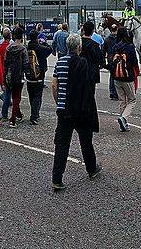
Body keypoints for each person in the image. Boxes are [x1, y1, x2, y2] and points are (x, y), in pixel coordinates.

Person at [51, 33, 101, 192]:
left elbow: (54, 85)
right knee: (86, 140)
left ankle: (57, 179)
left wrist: (59, 102)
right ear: (79, 47)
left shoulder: (59, 63)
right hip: (80, 109)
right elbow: (88, 87)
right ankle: (92, 169)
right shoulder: (83, 63)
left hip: (64, 109)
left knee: (62, 144)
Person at [109, 27, 138, 131]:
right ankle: (124, 118)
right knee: (132, 99)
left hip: (116, 77)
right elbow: (134, 62)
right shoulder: (130, 47)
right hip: (127, 76)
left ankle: (124, 124)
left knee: (122, 101)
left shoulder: (115, 46)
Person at [24, 28, 51, 124]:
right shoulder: (40, 48)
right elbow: (50, 50)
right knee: (37, 96)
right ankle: (34, 115)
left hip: (29, 76)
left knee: (31, 95)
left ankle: (34, 112)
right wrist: (44, 42)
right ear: (37, 38)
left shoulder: (26, 48)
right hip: (39, 75)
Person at [3, 31, 28, 128]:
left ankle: (18, 114)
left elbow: (5, 62)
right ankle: (13, 119)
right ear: (21, 37)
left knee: (11, 95)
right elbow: (25, 63)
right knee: (17, 97)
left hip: (9, 75)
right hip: (19, 75)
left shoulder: (8, 48)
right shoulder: (23, 49)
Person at [0, 28, 13, 120]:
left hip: (3, 71)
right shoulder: (11, 46)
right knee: (10, 93)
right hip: (10, 71)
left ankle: (4, 114)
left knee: (7, 91)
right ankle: (10, 113)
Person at [103, 24, 120, 100]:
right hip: (117, 58)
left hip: (110, 58)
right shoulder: (119, 39)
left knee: (111, 75)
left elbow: (103, 50)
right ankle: (116, 93)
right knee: (117, 76)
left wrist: (103, 61)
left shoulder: (107, 39)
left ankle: (111, 92)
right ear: (117, 29)